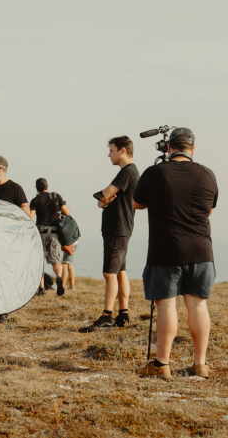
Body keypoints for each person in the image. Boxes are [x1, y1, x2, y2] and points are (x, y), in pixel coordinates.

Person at [131, 128, 218, 380]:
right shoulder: (207, 174)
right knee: (198, 304)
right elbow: (209, 211)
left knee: (167, 305)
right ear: (192, 149)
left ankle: (161, 364)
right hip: (201, 250)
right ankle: (200, 364)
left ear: (168, 147)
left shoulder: (155, 172)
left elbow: (137, 204)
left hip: (165, 249)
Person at [80, 136, 139, 332]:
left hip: (118, 228)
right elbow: (102, 200)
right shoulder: (128, 172)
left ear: (122, 150)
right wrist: (104, 199)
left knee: (109, 273)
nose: (109, 154)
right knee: (120, 272)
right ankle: (123, 314)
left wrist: (104, 197)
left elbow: (103, 195)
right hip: (121, 227)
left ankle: (106, 317)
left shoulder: (127, 172)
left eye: (112, 150)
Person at [0, 155, 29, 323]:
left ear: (3, 170)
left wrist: (18, 225)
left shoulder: (15, 188)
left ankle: (3, 309)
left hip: (8, 239)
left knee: (4, 274)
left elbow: (25, 208)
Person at [29, 178, 71, 296]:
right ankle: (58, 277)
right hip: (55, 233)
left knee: (39, 261)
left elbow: (30, 217)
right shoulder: (56, 197)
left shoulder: (35, 200)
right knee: (55, 260)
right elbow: (67, 213)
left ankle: (41, 289)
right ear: (47, 186)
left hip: (40, 233)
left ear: (37, 188)